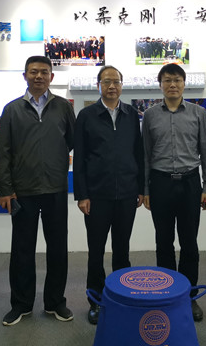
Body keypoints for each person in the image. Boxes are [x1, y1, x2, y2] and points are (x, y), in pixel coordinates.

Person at [0, 55, 76, 326]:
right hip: (23, 191)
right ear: (25, 76)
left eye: (44, 72)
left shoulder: (63, 107)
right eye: (33, 72)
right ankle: (21, 304)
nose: (39, 76)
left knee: (58, 248)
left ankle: (55, 302)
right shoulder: (12, 109)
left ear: (51, 77)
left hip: (55, 189)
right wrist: (5, 189)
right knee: (22, 249)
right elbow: (2, 152)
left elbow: (72, 142)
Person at [142, 63, 206, 322]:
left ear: (184, 84)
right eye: (167, 80)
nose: (172, 85)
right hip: (160, 184)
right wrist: (146, 189)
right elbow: (145, 154)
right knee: (163, 242)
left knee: (189, 242)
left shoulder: (198, 113)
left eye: (177, 80)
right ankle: (167, 293)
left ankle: (189, 296)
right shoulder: (150, 115)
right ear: (160, 84)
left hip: (189, 184)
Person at [73, 65, 144, 325]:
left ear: (122, 85)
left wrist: (140, 188)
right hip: (96, 196)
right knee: (96, 251)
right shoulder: (87, 115)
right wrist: (82, 194)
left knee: (122, 250)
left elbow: (139, 153)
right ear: (98, 85)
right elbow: (79, 158)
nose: (112, 86)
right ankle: (96, 300)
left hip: (126, 194)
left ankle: (122, 296)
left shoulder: (131, 114)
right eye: (106, 82)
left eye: (116, 81)